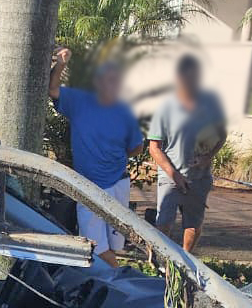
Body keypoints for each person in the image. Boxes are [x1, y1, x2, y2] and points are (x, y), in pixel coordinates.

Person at [50, 48, 145, 263]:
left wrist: (113, 159)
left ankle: (114, 274)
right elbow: (53, 89)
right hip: (89, 187)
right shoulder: (78, 100)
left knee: (114, 246)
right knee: (94, 247)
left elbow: (137, 147)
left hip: (118, 184)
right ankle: (116, 276)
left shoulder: (125, 111)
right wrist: (61, 64)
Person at [147, 55, 226, 252]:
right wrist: (174, 174)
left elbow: (222, 135)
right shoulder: (165, 108)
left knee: (193, 225)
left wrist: (208, 157)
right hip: (170, 177)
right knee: (163, 223)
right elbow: (154, 148)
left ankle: (185, 261)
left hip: (199, 178)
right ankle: (161, 261)